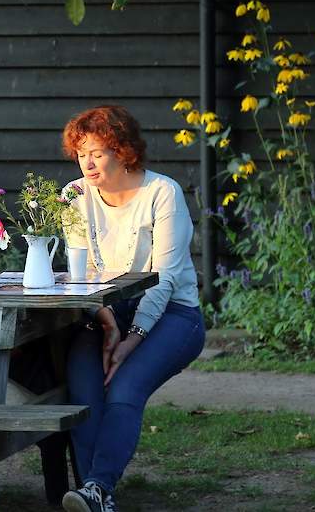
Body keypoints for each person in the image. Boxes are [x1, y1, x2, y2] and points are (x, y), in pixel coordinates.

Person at [59, 105, 206, 512]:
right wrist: (106, 322)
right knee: (84, 393)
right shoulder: (73, 196)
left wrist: (132, 339)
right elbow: (80, 272)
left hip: (173, 313)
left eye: (98, 152)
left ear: (123, 152)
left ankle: (97, 488)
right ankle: (96, 495)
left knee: (124, 390)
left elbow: (166, 277)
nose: (87, 162)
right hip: (104, 312)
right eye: (81, 152)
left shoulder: (162, 193)